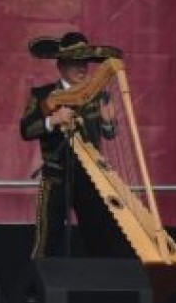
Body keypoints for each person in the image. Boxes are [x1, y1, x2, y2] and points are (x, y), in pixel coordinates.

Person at [20, 31, 121, 257]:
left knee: (98, 238)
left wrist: (108, 123)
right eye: (75, 62)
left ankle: (98, 288)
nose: (82, 68)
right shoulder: (42, 94)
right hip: (56, 177)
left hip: (90, 178)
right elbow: (26, 130)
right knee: (48, 240)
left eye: (84, 62)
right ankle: (37, 291)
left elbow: (110, 134)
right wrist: (52, 120)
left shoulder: (99, 95)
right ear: (61, 65)